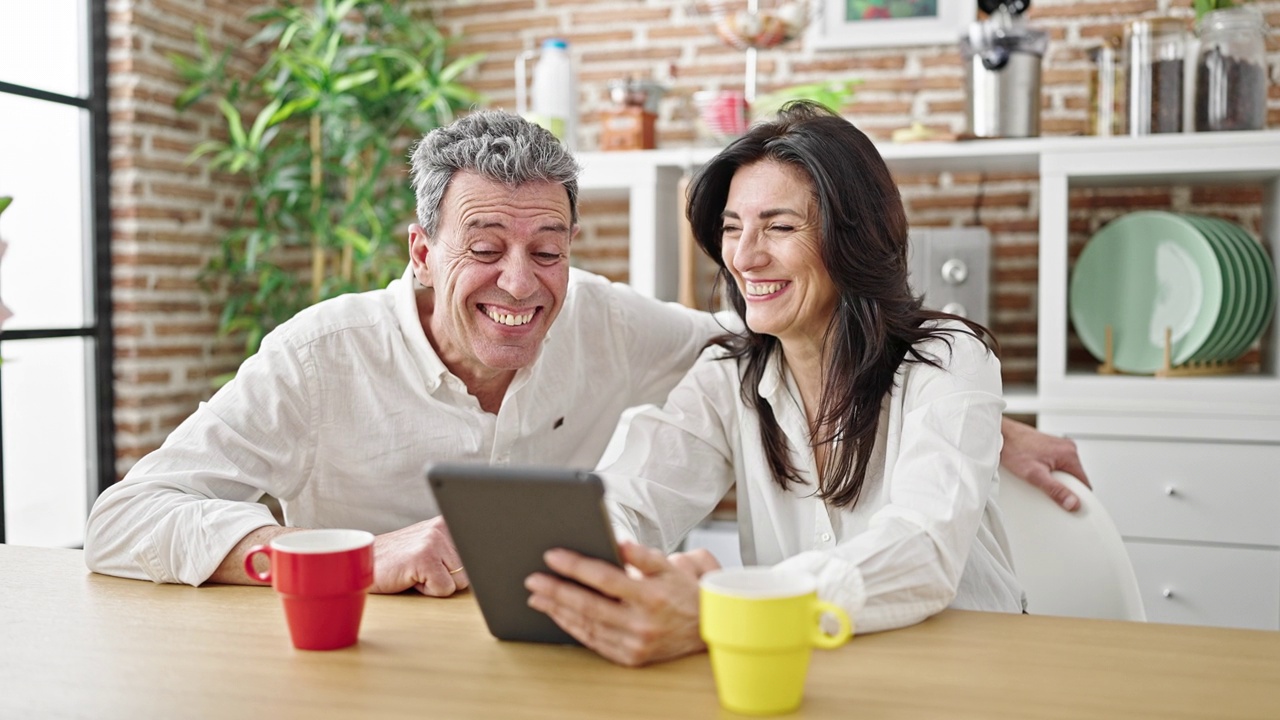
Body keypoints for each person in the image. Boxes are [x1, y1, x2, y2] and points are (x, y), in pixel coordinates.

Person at [85, 110, 1086, 594]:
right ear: (422, 252)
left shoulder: (649, 332)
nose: (519, 284)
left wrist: (964, 409)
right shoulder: (320, 356)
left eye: (548, 250)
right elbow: (636, 488)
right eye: (483, 249)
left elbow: (903, 518)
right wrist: (346, 559)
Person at [526, 102, 1026, 667]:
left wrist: (730, 610)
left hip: (966, 667)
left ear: (853, 238)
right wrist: (600, 563)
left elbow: (922, 548)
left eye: (780, 227)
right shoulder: (728, 374)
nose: (744, 256)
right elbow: (634, 495)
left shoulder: (949, 357)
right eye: (733, 229)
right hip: (810, 670)